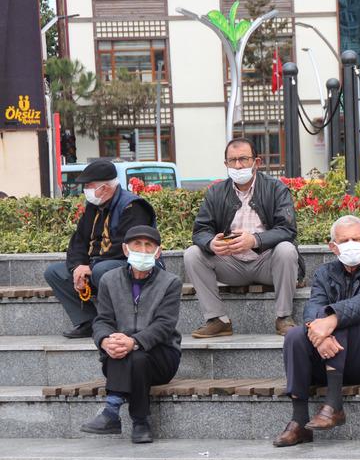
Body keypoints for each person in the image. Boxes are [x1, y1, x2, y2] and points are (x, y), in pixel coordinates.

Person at [273, 215, 360, 447]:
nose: (351, 244)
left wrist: (331, 322)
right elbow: (313, 307)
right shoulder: (324, 273)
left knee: (341, 323)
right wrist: (319, 335)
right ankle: (299, 421)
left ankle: (334, 405)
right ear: (333, 247)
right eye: (344, 241)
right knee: (294, 335)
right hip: (330, 355)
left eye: (356, 239)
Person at [185, 137, 304, 338]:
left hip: (267, 263)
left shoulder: (276, 188)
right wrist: (211, 243)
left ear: (257, 162)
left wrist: (255, 240)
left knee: (286, 249)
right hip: (230, 263)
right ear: (226, 164)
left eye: (243, 159)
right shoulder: (216, 192)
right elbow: (200, 230)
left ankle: (284, 317)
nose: (238, 165)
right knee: (192, 254)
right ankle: (218, 320)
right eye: (232, 160)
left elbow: (287, 229)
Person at [80, 225, 182, 444]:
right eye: (137, 244)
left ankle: (112, 410)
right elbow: (103, 320)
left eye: (149, 245)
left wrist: (134, 341)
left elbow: (164, 325)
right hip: (120, 355)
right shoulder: (109, 280)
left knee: (136, 355)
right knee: (131, 356)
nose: (143, 250)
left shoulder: (170, 282)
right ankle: (140, 422)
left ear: (158, 252)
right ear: (126, 249)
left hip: (161, 356)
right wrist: (105, 341)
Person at [44, 160, 157, 338]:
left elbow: (126, 246)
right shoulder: (93, 207)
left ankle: (120, 323)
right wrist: (77, 267)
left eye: (88, 186)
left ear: (104, 188)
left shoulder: (133, 206)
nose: (85, 190)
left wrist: (90, 267)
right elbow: (79, 241)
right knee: (54, 273)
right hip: (97, 265)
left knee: (101, 270)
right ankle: (89, 321)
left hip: (130, 264)